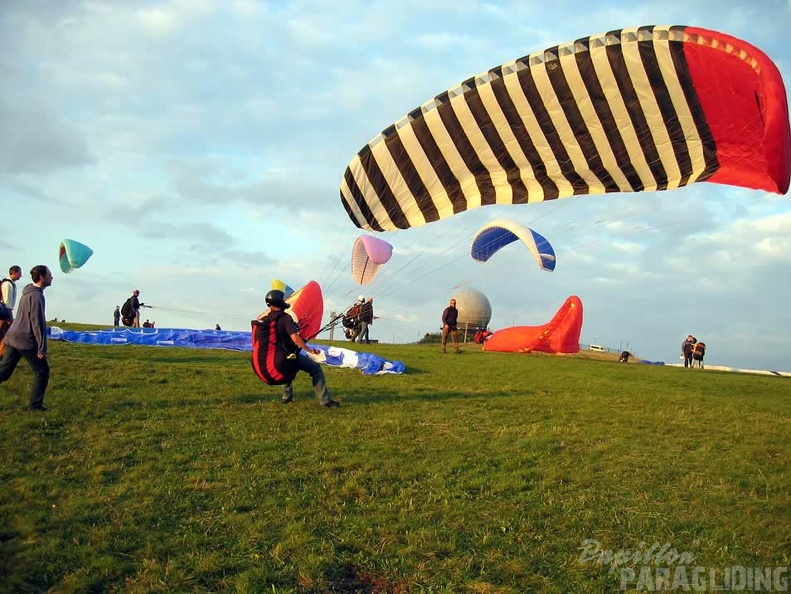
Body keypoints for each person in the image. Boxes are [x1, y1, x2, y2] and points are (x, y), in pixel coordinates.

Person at [256, 289, 340, 408]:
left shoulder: (265, 320)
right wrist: (310, 350)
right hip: (285, 357)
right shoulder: (285, 318)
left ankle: (287, 397)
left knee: (287, 366)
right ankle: (325, 401)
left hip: (273, 360)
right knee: (315, 369)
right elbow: (295, 338)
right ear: (280, 302)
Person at [0, 265, 53, 411]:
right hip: (24, 339)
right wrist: (41, 346)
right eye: (49, 275)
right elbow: (37, 323)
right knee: (42, 370)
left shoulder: (28, 292)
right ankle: (35, 405)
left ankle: (35, 405)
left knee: (4, 372)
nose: (52, 277)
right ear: (42, 277)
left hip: (14, 336)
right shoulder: (37, 296)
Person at [0, 265, 23, 349]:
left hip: (5, 311)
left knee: (4, 332)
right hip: (4, 312)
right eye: (19, 273)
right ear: (13, 273)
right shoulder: (7, 284)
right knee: (3, 331)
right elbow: (7, 302)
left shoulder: (11, 284)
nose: (21, 275)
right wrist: (10, 316)